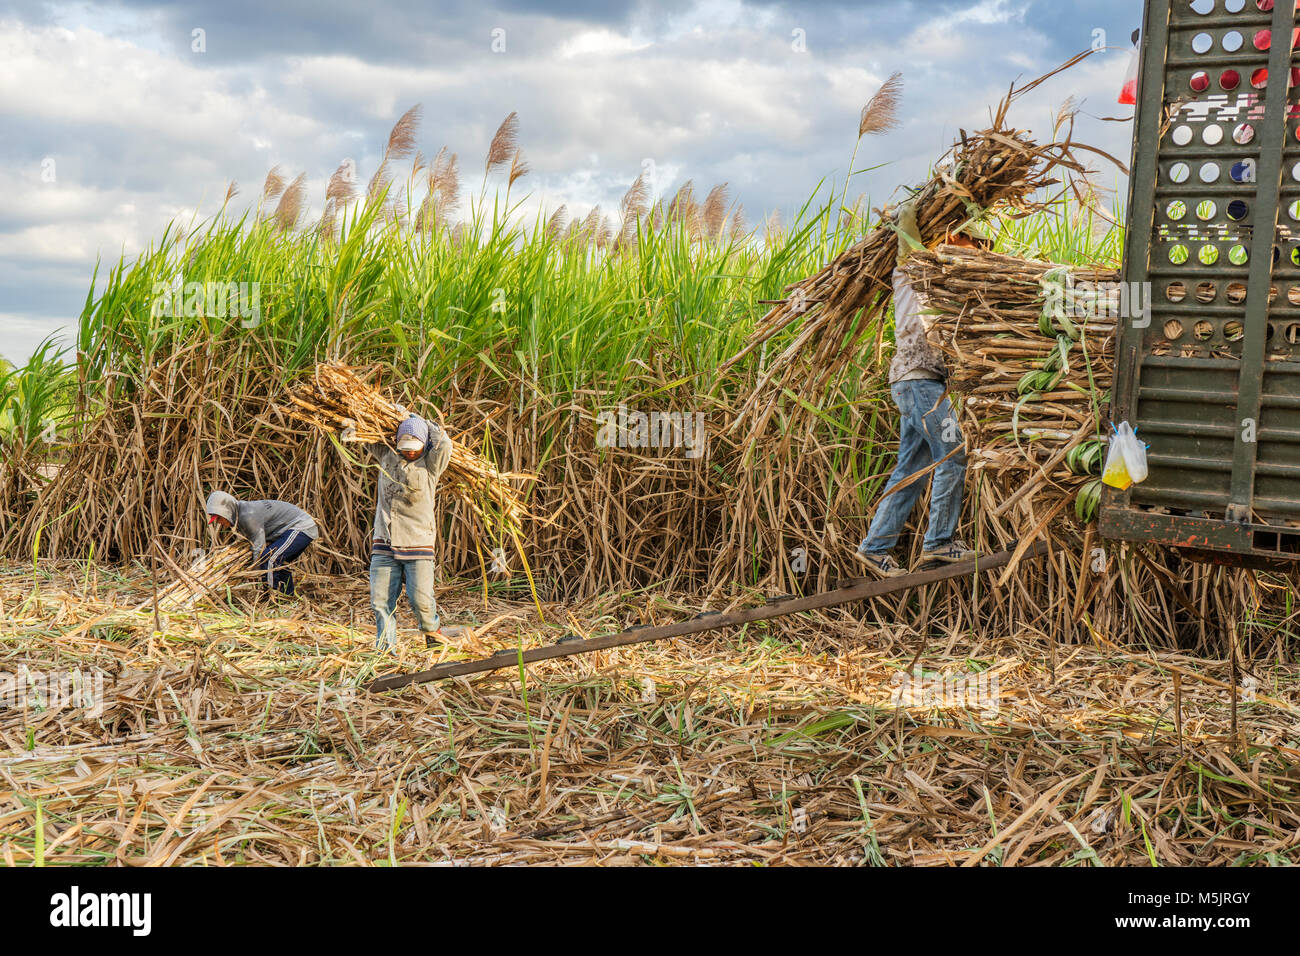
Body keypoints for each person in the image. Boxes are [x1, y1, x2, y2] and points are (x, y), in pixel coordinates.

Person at [855, 197, 993, 578]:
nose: (979, 251)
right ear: (952, 236)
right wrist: (920, 203)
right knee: (953, 453)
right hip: (917, 381)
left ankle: (875, 547)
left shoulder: (948, 285)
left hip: (921, 383)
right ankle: (939, 544)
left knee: (911, 468)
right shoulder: (914, 271)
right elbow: (907, 230)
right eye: (974, 242)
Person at [354, 413, 461, 651]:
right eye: (405, 447)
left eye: (415, 448)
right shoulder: (386, 456)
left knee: (421, 600)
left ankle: (433, 635)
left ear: (423, 444)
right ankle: (385, 648)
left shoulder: (431, 466)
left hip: (418, 542)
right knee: (381, 601)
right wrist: (354, 426)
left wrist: (419, 421)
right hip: (385, 540)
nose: (410, 452)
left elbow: (444, 443)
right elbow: (364, 433)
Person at [205, 491, 319, 595]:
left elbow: (259, 547)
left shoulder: (247, 516)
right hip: (294, 529)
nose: (220, 523)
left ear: (227, 511)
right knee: (281, 563)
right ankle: (287, 597)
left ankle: (271, 597)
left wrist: (254, 571)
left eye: (219, 518)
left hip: (301, 527)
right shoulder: (241, 514)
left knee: (269, 558)